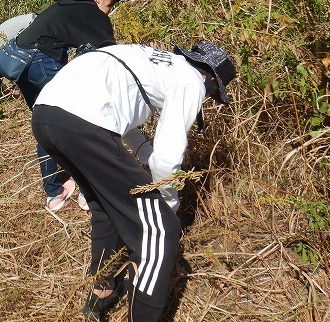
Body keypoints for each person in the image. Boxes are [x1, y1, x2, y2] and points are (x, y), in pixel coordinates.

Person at [31, 42, 237, 322]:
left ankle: (102, 292)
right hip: (84, 122)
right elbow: (166, 159)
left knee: (105, 208)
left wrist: (145, 154)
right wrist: (167, 203)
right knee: (162, 231)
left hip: (46, 115)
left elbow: (122, 116)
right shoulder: (192, 82)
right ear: (210, 78)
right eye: (213, 94)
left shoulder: (157, 61)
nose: (207, 98)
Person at [14, 0, 125, 212]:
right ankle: (90, 193)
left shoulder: (65, 5)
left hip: (20, 66)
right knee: (76, 121)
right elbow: (111, 52)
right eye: (110, 5)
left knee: (47, 123)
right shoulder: (91, 11)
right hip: (41, 63)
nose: (109, 11)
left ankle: (54, 193)